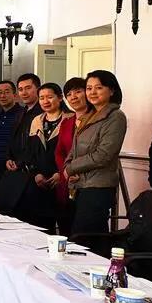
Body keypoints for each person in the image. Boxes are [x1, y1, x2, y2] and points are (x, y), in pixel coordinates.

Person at [64, 70, 127, 235]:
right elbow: (74, 148)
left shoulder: (115, 117)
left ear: (111, 90)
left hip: (98, 186)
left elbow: (103, 155)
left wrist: (71, 168)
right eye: (89, 88)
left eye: (98, 88)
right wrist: (68, 167)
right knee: (77, 235)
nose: (92, 92)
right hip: (79, 185)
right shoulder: (88, 115)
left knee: (87, 236)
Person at [15, 83, 72, 232]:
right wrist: (36, 174)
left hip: (63, 180)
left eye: (50, 97)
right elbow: (30, 152)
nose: (45, 101)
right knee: (41, 227)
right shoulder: (37, 121)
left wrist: (60, 174)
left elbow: (72, 152)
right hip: (39, 181)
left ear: (60, 98)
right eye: (42, 98)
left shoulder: (71, 119)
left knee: (66, 226)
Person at [51, 77, 89, 235]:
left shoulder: (96, 120)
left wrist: (76, 170)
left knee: (84, 230)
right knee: (65, 226)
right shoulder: (67, 122)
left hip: (87, 181)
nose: (73, 97)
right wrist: (66, 171)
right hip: (66, 180)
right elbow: (59, 152)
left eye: (78, 92)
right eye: (69, 94)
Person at [5, 73, 42, 173]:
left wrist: (20, 162)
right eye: (20, 89)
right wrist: (9, 158)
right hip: (17, 167)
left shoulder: (43, 113)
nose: (24, 93)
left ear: (38, 89)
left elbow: (36, 146)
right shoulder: (21, 113)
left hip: (35, 169)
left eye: (28, 88)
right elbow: (13, 139)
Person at [0, 80, 24, 189]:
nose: (2, 96)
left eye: (6, 92)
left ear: (15, 95)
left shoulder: (23, 114)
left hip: (15, 166)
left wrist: (18, 162)